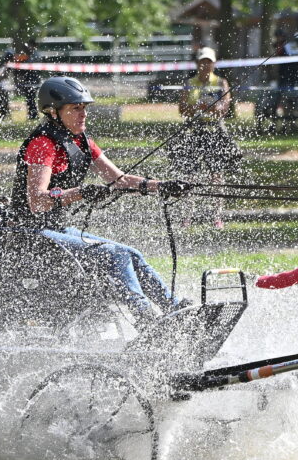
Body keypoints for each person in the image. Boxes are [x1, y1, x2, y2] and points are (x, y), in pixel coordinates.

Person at [11, 76, 190, 318]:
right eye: (75, 108)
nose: (83, 114)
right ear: (53, 112)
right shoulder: (43, 143)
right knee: (115, 254)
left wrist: (161, 186)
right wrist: (81, 192)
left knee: (132, 253)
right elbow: (37, 200)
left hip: (59, 229)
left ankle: (175, 309)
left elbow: (120, 180)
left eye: (84, 108)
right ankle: (145, 316)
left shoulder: (82, 141)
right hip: (31, 234)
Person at [166, 47, 242, 228]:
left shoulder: (221, 82)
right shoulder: (189, 83)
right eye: (202, 62)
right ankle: (187, 217)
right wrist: (198, 107)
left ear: (214, 63)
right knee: (190, 176)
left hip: (215, 131)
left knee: (216, 176)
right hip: (194, 130)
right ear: (197, 63)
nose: (205, 65)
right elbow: (182, 110)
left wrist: (214, 108)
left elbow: (225, 108)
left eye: (209, 62)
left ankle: (217, 216)